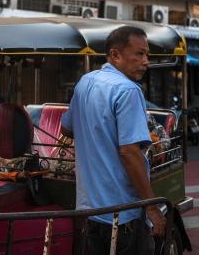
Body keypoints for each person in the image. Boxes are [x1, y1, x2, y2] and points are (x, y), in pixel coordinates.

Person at [61, 26, 165, 254]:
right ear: (115, 55)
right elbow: (130, 153)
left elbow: (66, 128)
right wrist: (153, 208)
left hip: (88, 211)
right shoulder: (128, 90)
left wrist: (96, 134)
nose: (146, 61)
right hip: (122, 214)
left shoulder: (85, 82)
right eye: (139, 54)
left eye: (147, 54)